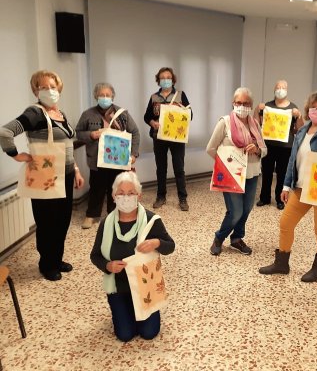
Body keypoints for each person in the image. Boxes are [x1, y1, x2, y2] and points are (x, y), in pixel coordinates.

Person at [259, 92, 317, 282]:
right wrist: (286, 186)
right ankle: (282, 263)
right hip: (301, 188)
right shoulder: (302, 131)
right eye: (313, 107)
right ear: (307, 109)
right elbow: (293, 161)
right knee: (285, 223)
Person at [0, 70, 84, 281]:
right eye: (43, 87)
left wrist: (76, 170)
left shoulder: (59, 114)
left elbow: (66, 145)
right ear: (35, 90)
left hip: (65, 175)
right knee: (48, 222)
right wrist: (16, 155)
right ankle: (46, 264)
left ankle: (56, 259)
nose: (49, 91)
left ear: (59, 89)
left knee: (63, 220)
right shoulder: (35, 113)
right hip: (45, 176)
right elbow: (5, 132)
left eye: (53, 87)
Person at [90, 171, 175, 342]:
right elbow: (95, 255)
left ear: (139, 195)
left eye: (131, 193)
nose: (126, 197)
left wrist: (157, 243)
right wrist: (107, 266)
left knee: (149, 333)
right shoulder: (106, 223)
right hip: (118, 287)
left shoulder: (152, 220)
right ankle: (125, 310)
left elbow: (170, 246)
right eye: (121, 193)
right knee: (125, 335)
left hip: (146, 287)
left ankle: (143, 312)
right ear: (114, 196)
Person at [206, 87, 267, 256]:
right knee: (236, 212)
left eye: (246, 103)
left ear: (251, 105)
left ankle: (237, 239)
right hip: (231, 175)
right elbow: (211, 148)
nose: (242, 106)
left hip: (252, 173)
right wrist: (225, 165)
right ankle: (219, 238)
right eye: (238, 103)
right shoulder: (224, 122)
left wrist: (257, 149)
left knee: (246, 209)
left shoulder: (255, 123)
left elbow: (264, 148)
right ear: (233, 103)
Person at [76, 83, 140, 229]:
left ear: (112, 96)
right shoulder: (88, 114)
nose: (105, 98)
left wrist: (134, 154)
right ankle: (91, 215)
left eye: (107, 95)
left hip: (119, 160)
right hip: (97, 160)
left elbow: (135, 132)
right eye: (101, 95)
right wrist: (91, 135)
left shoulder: (122, 113)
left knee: (117, 188)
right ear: (96, 96)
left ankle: (115, 214)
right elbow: (78, 133)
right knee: (96, 188)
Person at [144, 67, 192, 211]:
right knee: (161, 168)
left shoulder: (180, 95)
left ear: (173, 79)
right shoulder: (154, 97)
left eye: (168, 77)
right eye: (163, 78)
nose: (166, 80)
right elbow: (147, 117)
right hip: (158, 137)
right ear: (158, 80)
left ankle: (182, 198)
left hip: (177, 138)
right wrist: (153, 123)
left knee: (179, 168)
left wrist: (182, 109)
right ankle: (161, 196)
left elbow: (191, 115)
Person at [255, 80, 304, 210]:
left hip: (286, 148)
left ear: (287, 90)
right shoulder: (266, 106)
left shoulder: (292, 108)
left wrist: (299, 116)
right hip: (268, 146)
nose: (280, 90)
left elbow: (299, 129)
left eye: (283, 87)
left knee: (282, 174)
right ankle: (264, 198)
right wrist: (257, 110)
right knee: (266, 172)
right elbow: (257, 123)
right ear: (274, 89)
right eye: (278, 87)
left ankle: (280, 199)